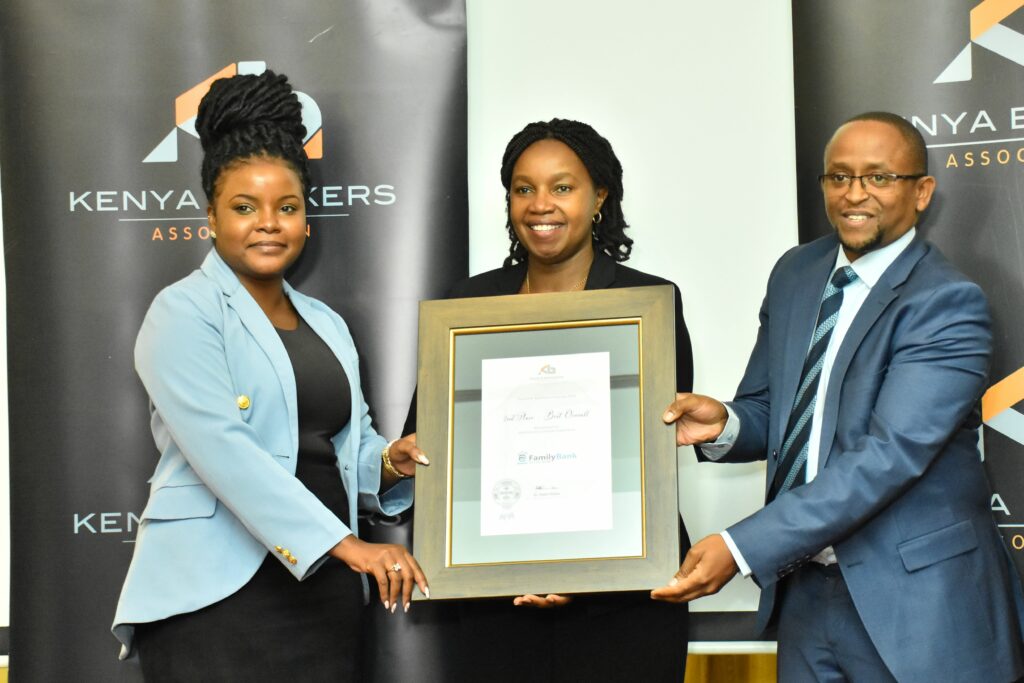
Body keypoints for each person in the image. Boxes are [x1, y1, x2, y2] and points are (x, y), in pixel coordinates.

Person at [654, 111, 1024, 682]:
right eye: (838, 177)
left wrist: (742, 546)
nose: (855, 194)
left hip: (918, 604)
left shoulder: (947, 303)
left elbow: (886, 457)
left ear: (921, 192)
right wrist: (725, 423)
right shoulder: (797, 273)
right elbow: (778, 411)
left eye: (879, 178)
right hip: (806, 594)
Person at [111, 70, 429, 681]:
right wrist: (349, 545)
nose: (269, 222)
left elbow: (347, 445)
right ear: (210, 216)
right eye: (244, 207)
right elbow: (226, 453)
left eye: (287, 207)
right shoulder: (182, 312)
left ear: (307, 220)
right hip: (215, 596)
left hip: (326, 597)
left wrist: (391, 462)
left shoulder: (326, 323)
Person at [404, 118, 693, 682]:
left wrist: (575, 566)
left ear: (600, 196)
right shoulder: (468, 303)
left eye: (563, 187)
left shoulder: (647, 304)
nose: (541, 205)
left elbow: (650, 450)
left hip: (623, 599)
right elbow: (432, 440)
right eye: (524, 188)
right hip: (496, 595)